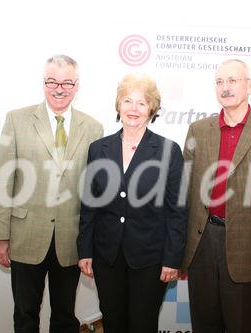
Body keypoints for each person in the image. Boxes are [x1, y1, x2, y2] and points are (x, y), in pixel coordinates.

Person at [0, 55, 103, 333]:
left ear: (77, 86)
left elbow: (94, 190)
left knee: (64, 317)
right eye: (52, 81)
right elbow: (3, 181)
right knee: (25, 314)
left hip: (70, 240)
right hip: (26, 235)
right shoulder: (17, 120)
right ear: (43, 83)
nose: (59, 88)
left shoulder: (93, 128)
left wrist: (93, 241)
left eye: (67, 82)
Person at [181, 59, 251, 332]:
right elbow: (184, 192)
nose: (225, 87)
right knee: (204, 324)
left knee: (240, 325)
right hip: (202, 243)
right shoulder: (199, 129)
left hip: (249, 247)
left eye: (233, 80)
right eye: (220, 82)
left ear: (250, 86)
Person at [77, 73, 188, 333]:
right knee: (113, 322)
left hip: (150, 259)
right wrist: (85, 250)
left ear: (152, 108)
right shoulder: (98, 149)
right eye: (127, 101)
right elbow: (89, 204)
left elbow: (177, 210)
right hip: (107, 256)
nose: (133, 109)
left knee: (142, 324)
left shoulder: (168, 151)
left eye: (141, 102)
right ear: (118, 106)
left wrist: (173, 259)